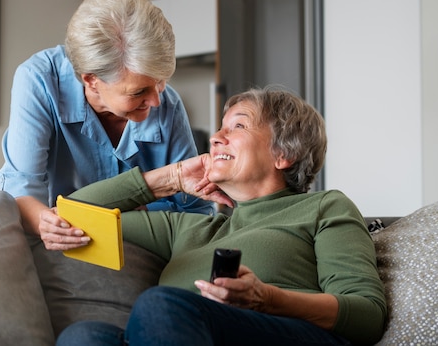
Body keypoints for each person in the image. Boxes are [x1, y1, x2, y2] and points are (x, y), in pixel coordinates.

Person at [40, 87, 387, 346]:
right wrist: (170, 179)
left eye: (238, 126)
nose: (217, 138)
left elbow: (367, 315)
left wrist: (267, 299)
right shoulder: (188, 228)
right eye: (220, 128)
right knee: (85, 337)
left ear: (283, 153)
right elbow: (71, 217)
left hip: (287, 334)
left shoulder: (324, 207)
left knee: (162, 306)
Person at [0, 0, 214, 239]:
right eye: (139, 91)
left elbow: (196, 211)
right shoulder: (39, 81)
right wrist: (47, 224)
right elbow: (23, 190)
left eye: (161, 82)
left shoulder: (168, 104)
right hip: (61, 246)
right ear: (91, 80)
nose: (157, 100)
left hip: (143, 246)